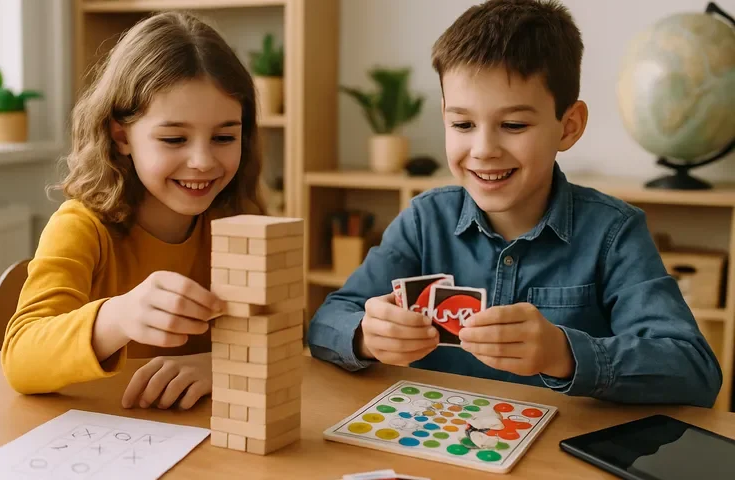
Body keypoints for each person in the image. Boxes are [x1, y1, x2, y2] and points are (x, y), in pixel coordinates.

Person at [307, 0, 722, 408]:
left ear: (568, 126)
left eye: (513, 125)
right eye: (463, 124)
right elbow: (326, 322)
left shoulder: (614, 233)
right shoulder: (423, 221)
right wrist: (364, 333)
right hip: (438, 446)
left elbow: (695, 371)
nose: (483, 149)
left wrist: (563, 352)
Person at [1, 11, 265, 410]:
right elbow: (20, 360)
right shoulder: (81, 227)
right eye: (175, 138)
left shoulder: (239, 220)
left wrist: (222, 365)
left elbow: (283, 337)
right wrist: (118, 316)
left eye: (224, 136)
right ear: (121, 135)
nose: (202, 161)